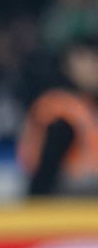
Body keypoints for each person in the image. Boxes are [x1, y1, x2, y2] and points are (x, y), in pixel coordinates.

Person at [18, 35, 98, 196]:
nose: (94, 68)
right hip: (67, 203)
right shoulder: (61, 111)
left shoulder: (86, 105)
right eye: (88, 60)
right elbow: (45, 174)